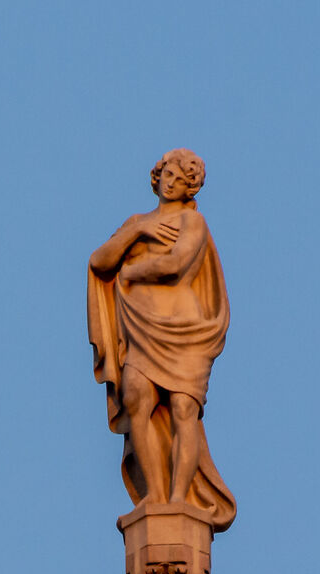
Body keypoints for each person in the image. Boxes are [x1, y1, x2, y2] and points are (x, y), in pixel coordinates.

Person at [87, 149, 236, 529]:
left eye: (181, 181)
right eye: (168, 175)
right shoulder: (138, 222)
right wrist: (136, 232)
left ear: (191, 189)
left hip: (184, 330)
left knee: (184, 409)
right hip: (142, 326)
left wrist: (135, 271)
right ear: (158, 175)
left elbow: (176, 264)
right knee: (137, 397)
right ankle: (154, 495)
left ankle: (177, 500)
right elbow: (101, 262)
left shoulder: (192, 223)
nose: (172, 184)